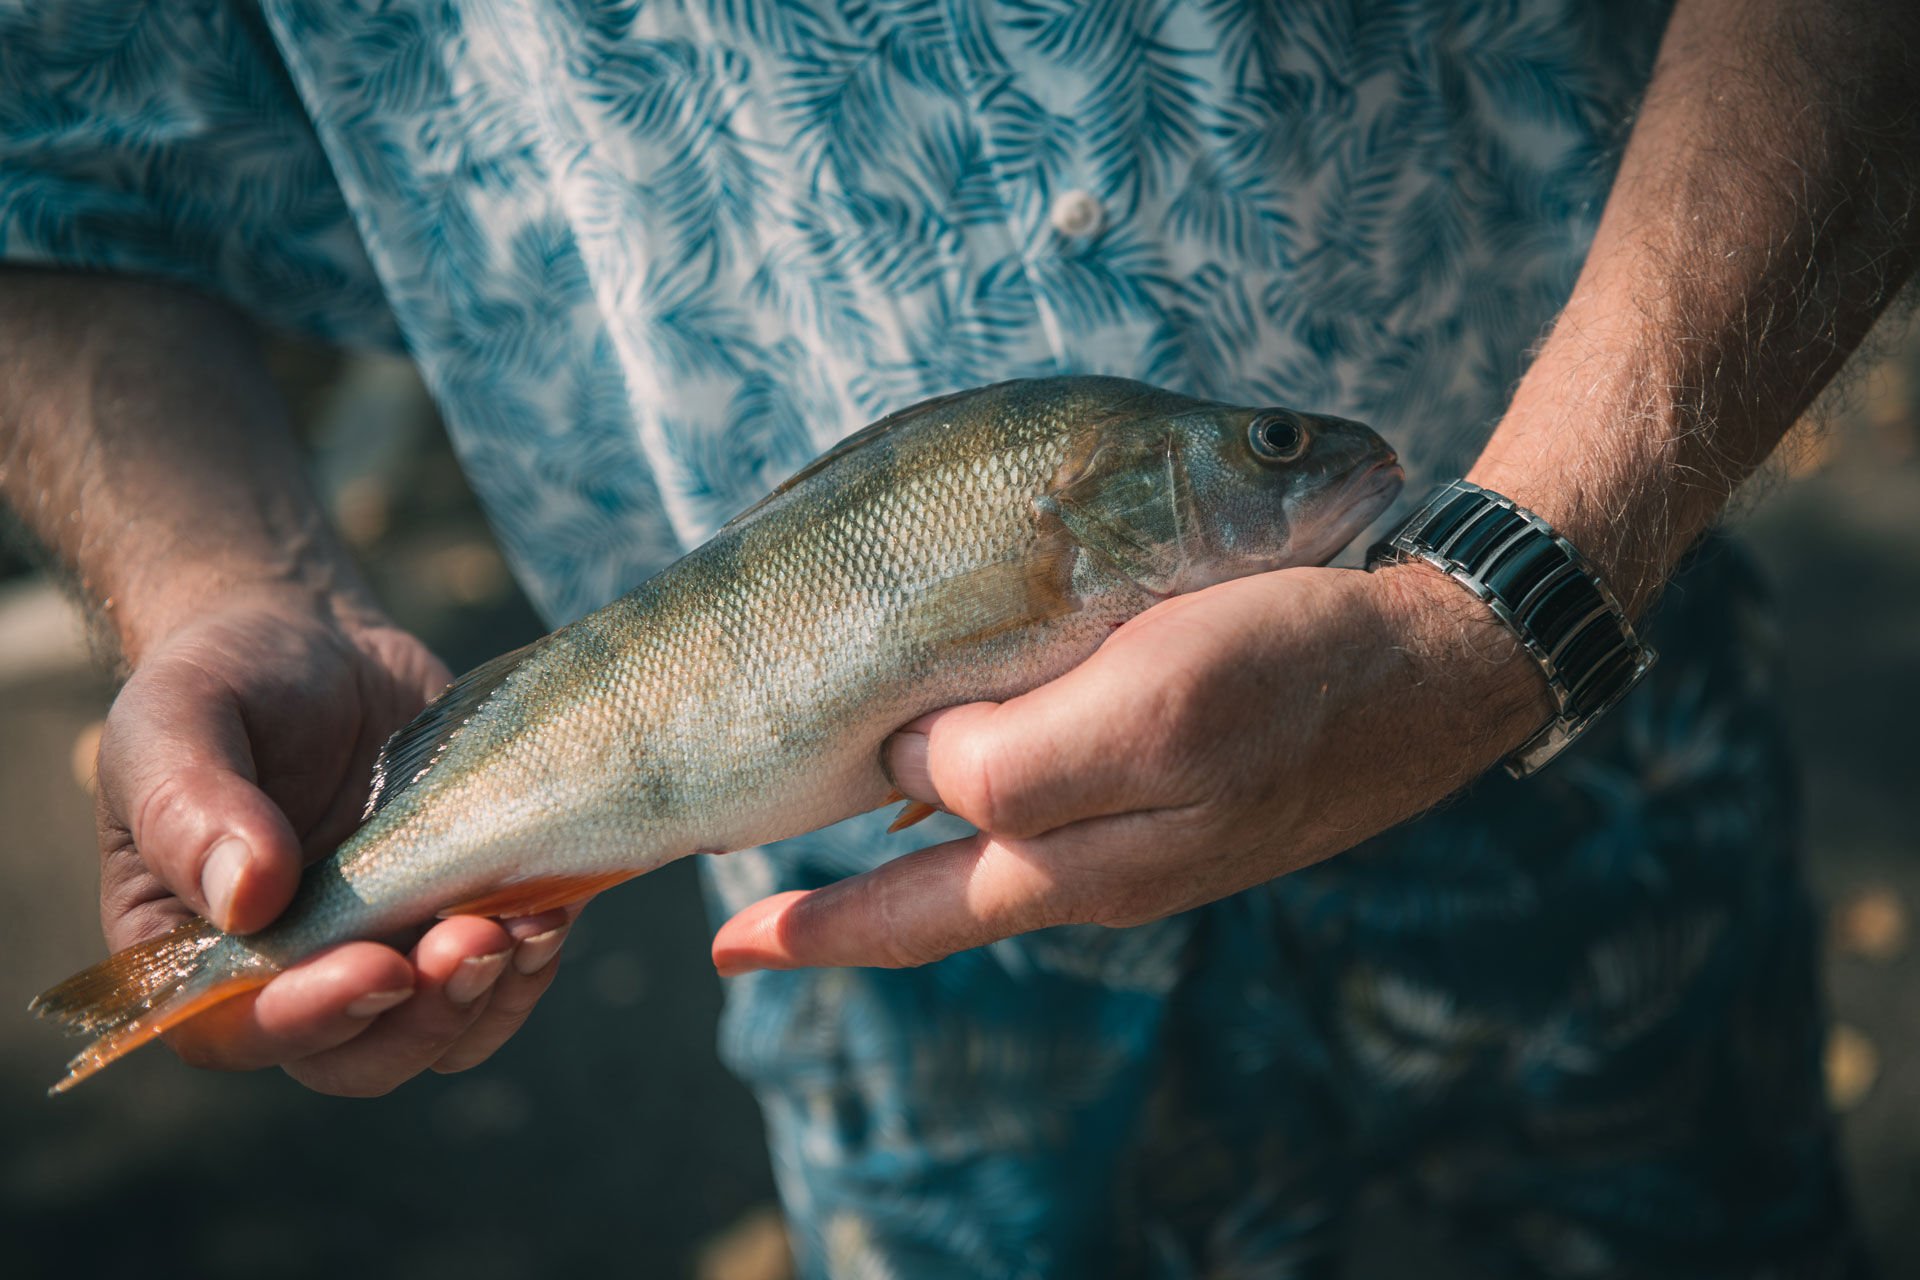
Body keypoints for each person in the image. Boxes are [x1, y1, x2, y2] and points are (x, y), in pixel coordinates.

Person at [2, 1, 1912, 1274]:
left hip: (1575, 718)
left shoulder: (1405, 555)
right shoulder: (1067, 500)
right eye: (1262, 462)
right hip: (894, 977)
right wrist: (231, 585)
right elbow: (46, 156)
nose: (1307, 471)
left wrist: (1519, 586)